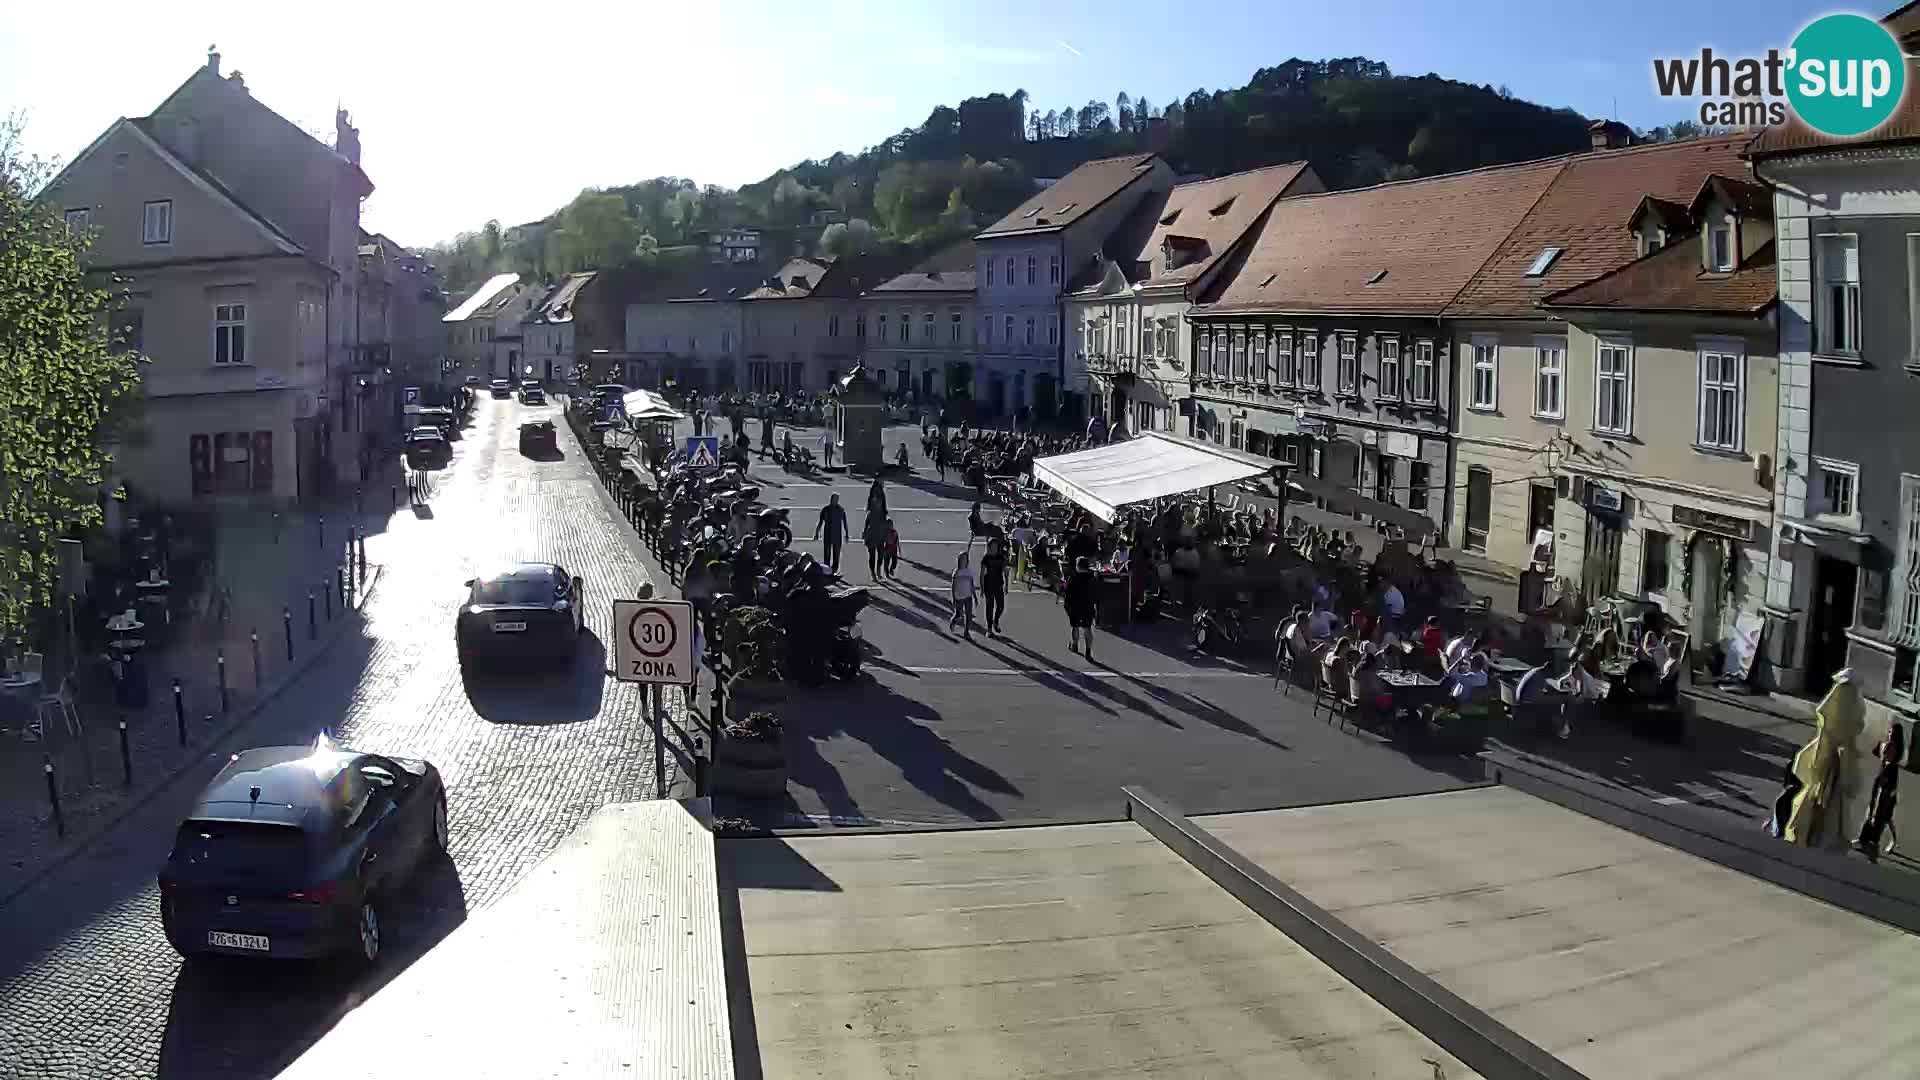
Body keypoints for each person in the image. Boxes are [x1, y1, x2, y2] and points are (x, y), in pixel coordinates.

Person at [1777, 668, 1867, 847]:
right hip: (1833, 759)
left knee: (1818, 799)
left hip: (1830, 759)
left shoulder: (1840, 701)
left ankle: (1809, 833)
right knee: (1825, 802)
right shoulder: (1852, 703)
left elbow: (1827, 720)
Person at [1856, 721, 1906, 862]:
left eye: (1891, 733)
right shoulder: (1889, 757)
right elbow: (1875, 752)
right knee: (1880, 816)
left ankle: (1872, 845)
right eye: (1888, 732)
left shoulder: (1891, 766)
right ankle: (1865, 839)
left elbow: (1884, 793)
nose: (1889, 735)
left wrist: (1884, 749)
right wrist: (1882, 746)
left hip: (1885, 791)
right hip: (1883, 787)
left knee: (1880, 817)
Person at [1065, 555, 1097, 657]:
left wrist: (1067, 607)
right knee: (1087, 628)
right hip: (1088, 607)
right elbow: (1096, 594)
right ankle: (1088, 650)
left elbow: (1068, 594)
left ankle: (1075, 645)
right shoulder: (1092, 578)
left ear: (1077, 566)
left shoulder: (1073, 578)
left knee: (1075, 627)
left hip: (1075, 606)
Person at [980, 539, 1009, 636]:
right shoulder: (986, 558)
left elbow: (1005, 572)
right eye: (992, 546)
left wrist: (1006, 585)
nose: (994, 548)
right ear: (989, 547)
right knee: (990, 607)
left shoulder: (1001, 557)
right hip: (988, 585)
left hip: (999, 585)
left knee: (1001, 607)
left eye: (995, 547)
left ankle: (995, 621)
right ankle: (989, 629)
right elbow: (982, 574)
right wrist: (982, 588)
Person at [813, 493, 848, 572]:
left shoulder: (841, 510)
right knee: (827, 555)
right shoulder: (825, 510)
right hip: (827, 535)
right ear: (831, 499)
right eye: (833, 499)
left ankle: (834, 571)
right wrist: (816, 533)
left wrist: (847, 534)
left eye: (836, 500)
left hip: (837, 536)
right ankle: (827, 570)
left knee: (836, 555)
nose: (834, 501)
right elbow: (820, 522)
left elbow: (845, 523)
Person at [949, 551, 978, 639]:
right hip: (959, 597)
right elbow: (953, 586)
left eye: (965, 559)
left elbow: (972, 585)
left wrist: (975, 597)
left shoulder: (969, 572)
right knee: (958, 614)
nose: (964, 561)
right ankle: (953, 621)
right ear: (959, 561)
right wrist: (953, 598)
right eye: (962, 559)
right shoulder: (956, 572)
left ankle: (966, 632)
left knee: (968, 615)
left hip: (968, 596)